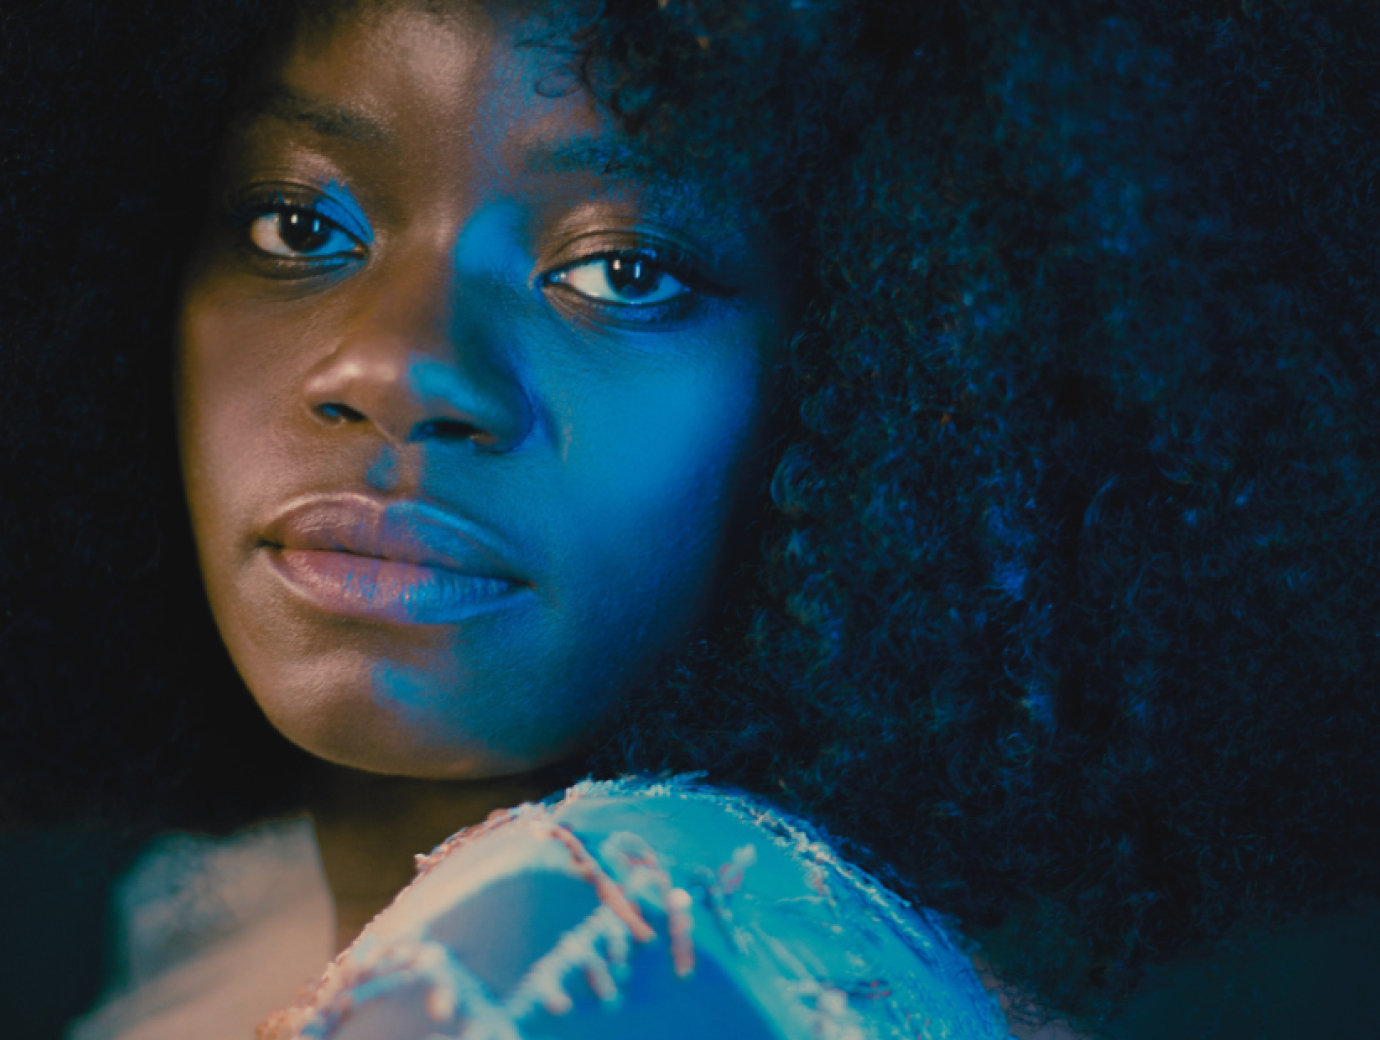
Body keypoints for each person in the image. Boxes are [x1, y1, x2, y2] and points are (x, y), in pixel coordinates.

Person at [3, 0, 1379, 1037]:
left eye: (622, 268)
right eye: (300, 226)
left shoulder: (604, 945)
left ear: (887, 374)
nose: (400, 366)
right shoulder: (219, 930)